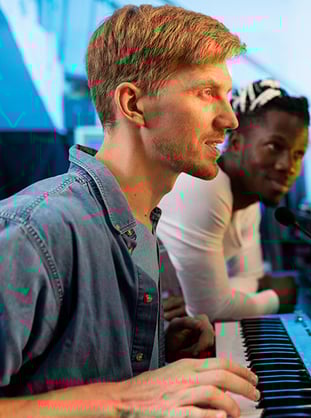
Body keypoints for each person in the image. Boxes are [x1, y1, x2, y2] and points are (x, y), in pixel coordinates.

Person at [0, 5, 260, 418]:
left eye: (226, 96)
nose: (230, 119)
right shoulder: (35, 233)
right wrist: (123, 399)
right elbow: (126, 401)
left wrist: (157, 353)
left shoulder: (141, 231)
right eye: (205, 92)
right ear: (134, 104)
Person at [157, 79, 310, 322]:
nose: (288, 166)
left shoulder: (249, 203)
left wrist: (215, 298)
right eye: (274, 146)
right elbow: (213, 311)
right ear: (237, 143)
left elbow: (252, 279)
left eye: (298, 154)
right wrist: (278, 297)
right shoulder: (207, 186)